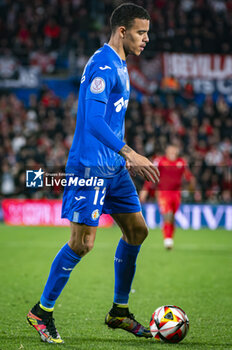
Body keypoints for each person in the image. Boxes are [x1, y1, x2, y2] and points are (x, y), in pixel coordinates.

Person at [27, 3, 160, 345]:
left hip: (113, 168)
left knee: (137, 231)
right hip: (90, 166)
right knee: (82, 243)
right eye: (140, 32)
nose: (146, 38)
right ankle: (41, 312)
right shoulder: (103, 65)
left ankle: (118, 311)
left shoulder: (121, 63)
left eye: (146, 32)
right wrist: (130, 152)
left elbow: (112, 119)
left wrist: (122, 158)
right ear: (122, 31)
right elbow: (94, 120)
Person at [140, 145, 193, 250]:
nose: (173, 152)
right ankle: (167, 239)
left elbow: (189, 177)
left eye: (174, 150)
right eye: (171, 151)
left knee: (172, 217)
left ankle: (170, 237)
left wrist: (192, 188)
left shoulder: (182, 163)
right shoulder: (160, 161)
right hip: (163, 193)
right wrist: (145, 190)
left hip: (176, 194)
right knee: (167, 214)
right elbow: (151, 174)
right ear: (167, 152)